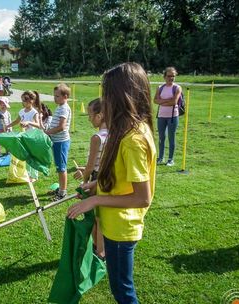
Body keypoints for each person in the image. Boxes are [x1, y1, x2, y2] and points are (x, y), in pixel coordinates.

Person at [67, 62, 157, 304]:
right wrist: (97, 186)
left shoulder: (133, 139)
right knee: (121, 287)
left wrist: (96, 200)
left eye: (107, 93)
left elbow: (142, 197)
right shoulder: (131, 130)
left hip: (121, 229)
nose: (104, 99)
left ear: (120, 96)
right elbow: (123, 179)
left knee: (123, 291)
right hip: (116, 224)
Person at [72, 98, 108, 259]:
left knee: (96, 217)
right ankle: (99, 249)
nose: (89, 119)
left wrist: (85, 181)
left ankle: (99, 252)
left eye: (90, 115)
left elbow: (90, 165)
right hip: (107, 178)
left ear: (100, 116)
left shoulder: (97, 137)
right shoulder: (114, 134)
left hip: (96, 179)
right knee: (101, 216)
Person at [45, 83, 72, 201]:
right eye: (54, 96)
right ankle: (61, 188)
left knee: (61, 168)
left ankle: (62, 193)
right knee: (59, 166)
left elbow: (61, 127)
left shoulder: (64, 108)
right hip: (57, 141)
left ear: (65, 96)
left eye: (57, 96)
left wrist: (48, 132)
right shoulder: (60, 107)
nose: (54, 98)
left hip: (61, 142)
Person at [154, 66, 182, 166]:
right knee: (161, 137)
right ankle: (160, 158)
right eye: (169, 76)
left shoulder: (177, 88)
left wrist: (162, 102)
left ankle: (170, 159)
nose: (171, 78)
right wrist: (167, 101)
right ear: (164, 76)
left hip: (173, 116)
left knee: (171, 137)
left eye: (173, 76)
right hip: (161, 116)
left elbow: (174, 102)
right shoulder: (160, 87)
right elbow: (155, 100)